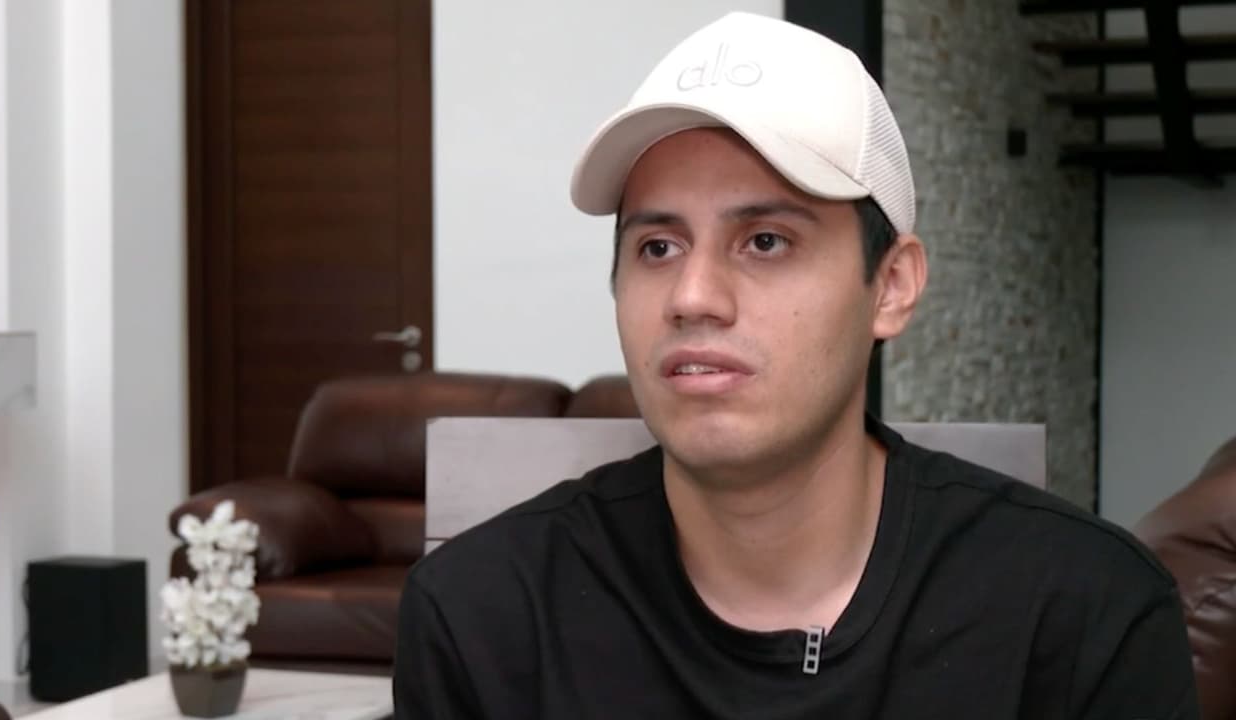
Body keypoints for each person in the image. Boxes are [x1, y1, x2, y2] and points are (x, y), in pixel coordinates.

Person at [393, 12, 1198, 719]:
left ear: (891, 286)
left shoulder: (1083, 613)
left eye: (766, 241)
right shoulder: (483, 615)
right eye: (658, 247)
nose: (692, 296)